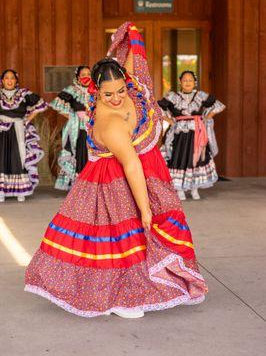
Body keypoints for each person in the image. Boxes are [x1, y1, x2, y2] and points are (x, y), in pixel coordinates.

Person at [25, 23, 208, 319]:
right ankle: (121, 297)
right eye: (108, 94)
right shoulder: (109, 123)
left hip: (137, 174)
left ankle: (143, 282)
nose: (116, 98)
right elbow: (132, 164)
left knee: (135, 237)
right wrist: (146, 209)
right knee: (120, 239)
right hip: (112, 183)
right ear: (97, 90)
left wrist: (131, 34)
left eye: (120, 89)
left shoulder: (131, 87)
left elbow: (132, 62)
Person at [158, 71, 225, 200]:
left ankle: (194, 188)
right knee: (179, 158)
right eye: (185, 80)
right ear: (180, 82)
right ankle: (179, 190)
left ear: (194, 82)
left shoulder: (201, 95)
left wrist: (206, 118)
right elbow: (157, 108)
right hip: (179, 134)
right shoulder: (172, 96)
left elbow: (218, 105)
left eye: (190, 80)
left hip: (197, 132)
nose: (187, 82)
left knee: (197, 158)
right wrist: (170, 120)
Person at [0, 69, 48, 202]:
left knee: (19, 157)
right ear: (2, 81)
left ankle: (20, 190)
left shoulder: (24, 94)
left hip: (19, 129)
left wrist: (27, 119)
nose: (9, 80)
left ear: (16, 81)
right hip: (2, 131)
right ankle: (1, 191)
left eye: (12, 78)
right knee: (2, 158)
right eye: (6, 78)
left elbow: (40, 104)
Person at [50, 66, 91, 190]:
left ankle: (91, 185)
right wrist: (73, 116)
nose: (86, 76)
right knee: (79, 153)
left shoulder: (96, 90)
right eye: (83, 74)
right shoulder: (71, 90)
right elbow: (56, 104)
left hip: (94, 127)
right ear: (78, 77)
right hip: (78, 128)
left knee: (92, 154)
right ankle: (78, 186)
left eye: (89, 74)